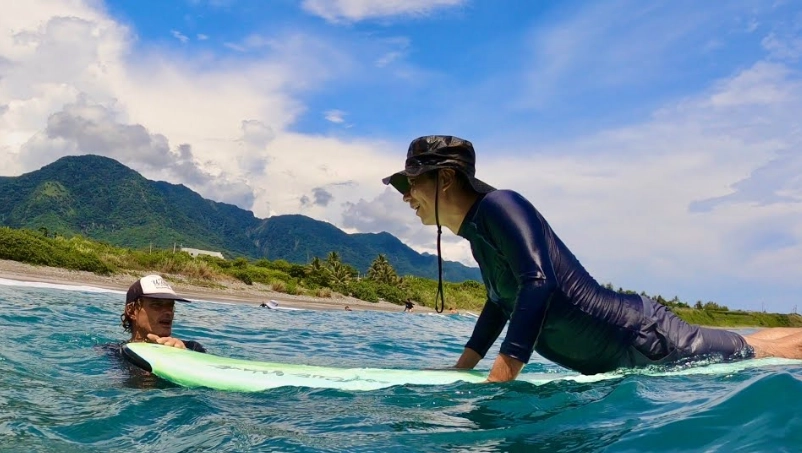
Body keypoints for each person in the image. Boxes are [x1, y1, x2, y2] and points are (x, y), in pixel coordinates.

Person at [382, 135, 802, 383]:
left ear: (447, 178)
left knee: (763, 353)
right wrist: (462, 370)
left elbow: (538, 283)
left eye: (411, 182)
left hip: (641, 339)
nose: (406, 196)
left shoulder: (501, 205)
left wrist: (501, 377)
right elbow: (499, 302)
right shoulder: (478, 231)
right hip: (627, 346)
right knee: (756, 345)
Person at [119, 274, 206, 352]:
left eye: (170, 305)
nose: (168, 312)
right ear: (132, 311)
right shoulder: (116, 353)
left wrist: (183, 354)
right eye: (157, 305)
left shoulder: (193, 348)